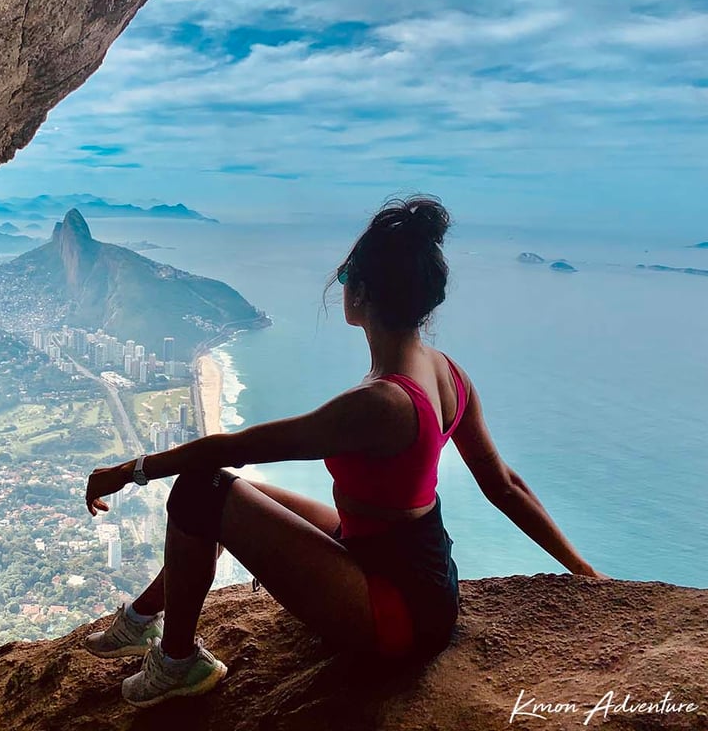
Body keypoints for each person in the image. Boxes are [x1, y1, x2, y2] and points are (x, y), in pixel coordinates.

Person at [82, 194, 608, 708]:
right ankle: (143, 620)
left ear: (364, 295)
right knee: (244, 496)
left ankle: (177, 663)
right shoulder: (449, 374)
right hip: (423, 581)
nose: (341, 286)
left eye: (344, 276)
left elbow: (235, 447)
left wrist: (131, 471)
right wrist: (584, 572)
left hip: (393, 613)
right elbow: (505, 485)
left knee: (201, 488)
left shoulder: (378, 403)